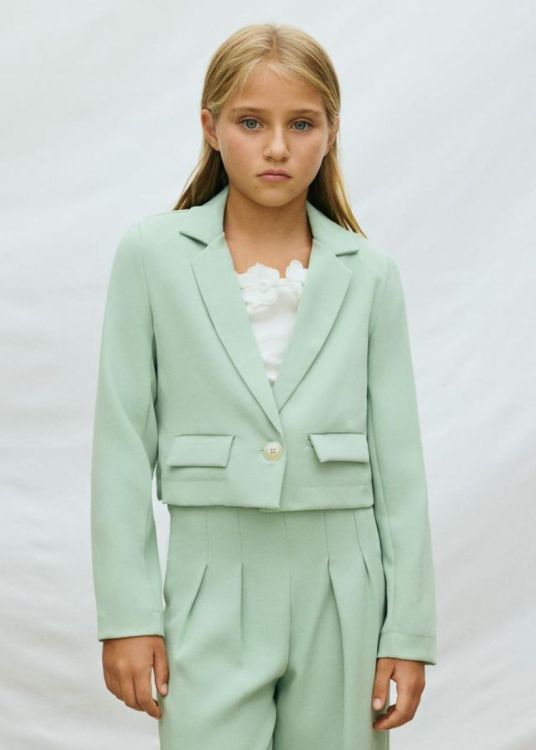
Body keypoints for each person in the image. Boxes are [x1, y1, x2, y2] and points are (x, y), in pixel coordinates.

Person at [90, 22, 438, 750]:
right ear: (211, 127)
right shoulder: (153, 256)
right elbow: (121, 445)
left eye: (301, 124)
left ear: (331, 132)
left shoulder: (369, 274)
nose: (277, 147)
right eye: (251, 122)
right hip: (210, 578)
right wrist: (128, 615)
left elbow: (400, 465)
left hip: (344, 585)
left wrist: (407, 630)